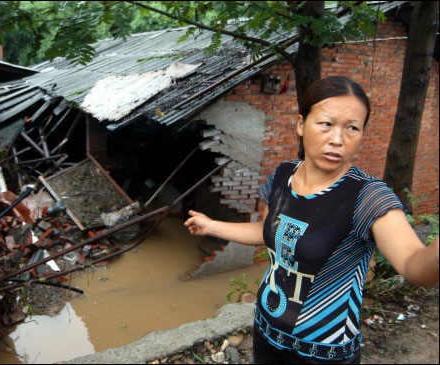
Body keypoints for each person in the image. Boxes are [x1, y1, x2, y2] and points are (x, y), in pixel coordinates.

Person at [184, 76, 439, 364]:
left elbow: (416, 267)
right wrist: (211, 225)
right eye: (326, 124)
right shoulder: (283, 175)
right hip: (267, 332)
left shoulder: (368, 197)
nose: (337, 139)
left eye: (352, 128)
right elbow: (267, 230)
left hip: (323, 353)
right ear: (301, 124)